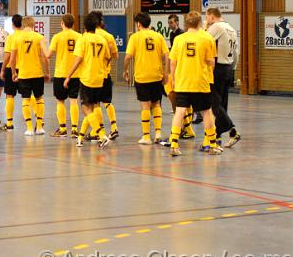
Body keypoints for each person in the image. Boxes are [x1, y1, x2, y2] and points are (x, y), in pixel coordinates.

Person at [167, 11, 221, 157]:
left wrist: (173, 80)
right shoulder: (207, 38)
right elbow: (212, 62)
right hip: (201, 82)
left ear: (186, 23)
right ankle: (213, 144)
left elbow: (173, 63)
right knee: (206, 112)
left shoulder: (178, 39)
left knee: (179, 111)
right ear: (199, 23)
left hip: (183, 82)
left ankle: (173, 144)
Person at [65, 13, 113, 148]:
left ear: (85, 26)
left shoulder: (83, 39)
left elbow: (78, 59)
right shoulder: (102, 39)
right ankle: (80, 138)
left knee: (85, 108)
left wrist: (68, 76)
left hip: (87, 78)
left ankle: (102, 135)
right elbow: (108, 57)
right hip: (99, 77)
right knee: (91, 109)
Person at [123, 12, 168, 145]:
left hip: (142, 76)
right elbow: (166, 55)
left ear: (138, 24)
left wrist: (125, 70)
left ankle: (146, 136)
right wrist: (166, 72)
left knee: (145, 106)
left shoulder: (135, 37)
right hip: (157, 75)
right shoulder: (158, 36)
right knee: (157, 104)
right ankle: (158, 132)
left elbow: (128, 57)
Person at [205, 8, 241, 148]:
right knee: (222, 104)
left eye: (207, 17)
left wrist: (205, 27)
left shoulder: (216, 27)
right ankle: (218, 137)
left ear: (211, 16)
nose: (206, 20)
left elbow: (204, 41)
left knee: (214, 104)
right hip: (228, 68)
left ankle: (233, 130)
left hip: (218, 68)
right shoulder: (230, 28)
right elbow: (236, 52)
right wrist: (233, 69)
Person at [11, 16, 50, 136]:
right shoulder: (39, 37)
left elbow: (12, 59)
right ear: (34, 25)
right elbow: (45, 57)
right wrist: (47, 72)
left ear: (23, 25)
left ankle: (28, 128)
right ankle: (39, 127)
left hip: (24, 74)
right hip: (37, 73)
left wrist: (14, 73)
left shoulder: (17, 38)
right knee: (39, 99)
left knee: (26, 100)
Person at [46, 13, 81, 138]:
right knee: (74, 101)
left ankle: (62, 129)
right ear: (73, 24)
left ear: (62, 23)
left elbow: (48, 55)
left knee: (60, 101)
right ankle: (75, 129)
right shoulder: (79, 36)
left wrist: (41, 49)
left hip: (61, 73)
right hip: (76, 74)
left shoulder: (57, 37)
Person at [86, 11, 119, 141]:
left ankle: (98, 132)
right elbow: (115, 55)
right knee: (107, 102)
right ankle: (114, 128)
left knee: (95, 104)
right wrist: (107, 60)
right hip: (105, 73)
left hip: (92, 75)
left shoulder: (87, 35)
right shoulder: (108, 36)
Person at [0, 14, 23, 131]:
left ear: (12, 24)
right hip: (24, 68)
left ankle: (9, 123)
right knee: (28, 95)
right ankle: (39, 119)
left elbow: (8, 56)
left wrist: (2, 69)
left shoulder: (11, 37)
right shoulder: (25, 36)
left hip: (11, 68)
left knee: (9, 95)